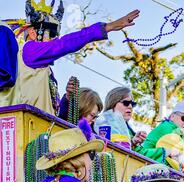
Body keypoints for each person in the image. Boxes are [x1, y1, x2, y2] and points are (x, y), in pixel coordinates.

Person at [0, 0, 139, 114]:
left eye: (55, 35)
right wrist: (107, 27)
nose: (53, 39)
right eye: (50, 34)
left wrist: (66, 99)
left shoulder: (44, 69)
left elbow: (52, 112)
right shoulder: (29, 51)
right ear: (32, 32)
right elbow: (63, 44)